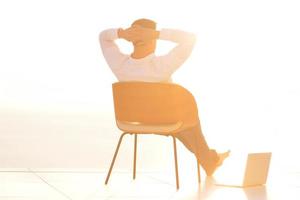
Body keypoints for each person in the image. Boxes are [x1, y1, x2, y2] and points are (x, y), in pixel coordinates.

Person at [99, 18, 229, 176]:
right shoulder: (162, 66)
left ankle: (210, 159)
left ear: (131, 39)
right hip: (164, 121)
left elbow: (103, 37)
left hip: (134, 120)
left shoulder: (119, 65)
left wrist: (121, 33)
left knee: (181, 124)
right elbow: (190, 39)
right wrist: (157, 34)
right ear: (153, 39)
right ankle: (210, 160)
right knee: (187, 121)